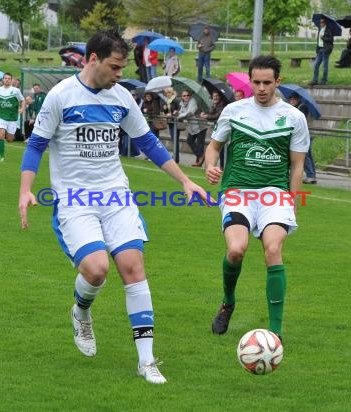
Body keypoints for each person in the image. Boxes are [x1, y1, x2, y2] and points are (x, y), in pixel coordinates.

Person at [18, 30, 208, 384]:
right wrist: (26, 190)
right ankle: (81, 311)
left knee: (133, 268)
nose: (121, 74)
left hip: (116, 196)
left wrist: (184, 181)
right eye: (115, 66)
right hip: (75, 200)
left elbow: (149, 143)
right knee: (96, 270)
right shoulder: (60, 97)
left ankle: (147, 361)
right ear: (92, 59)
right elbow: (36, 145)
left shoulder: (122, 98)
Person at [203, 55, 309, 340]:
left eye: (267, 82)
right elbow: (213, 148)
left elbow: (297, 166)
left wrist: (292, 202)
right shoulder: (234, 111)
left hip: (274, 194)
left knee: (273, 249)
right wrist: (210, 166)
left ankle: (275, 333)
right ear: (250, 81)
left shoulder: (294, 118)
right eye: (256, 82)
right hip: (237, 190)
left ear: (278, 82)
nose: (261, 88)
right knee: (236, 249)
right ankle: (228, 302)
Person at [0, 72, 25, 162]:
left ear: (11, 80)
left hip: (12, 117)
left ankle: (7, 134)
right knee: (1, 134)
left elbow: (23, 100)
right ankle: (2, 157)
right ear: (3, 80)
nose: (7, 80)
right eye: (5, 78)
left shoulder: (16, 91)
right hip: (1, 115)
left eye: (9, 78)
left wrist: (22, 109)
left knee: (10, 139)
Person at [288, 92, 316, 184]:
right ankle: (312, 175)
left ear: (298, 99)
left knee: (305, 155)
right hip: (307, 133)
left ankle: (310, 175)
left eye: (294, 99)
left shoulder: (302, 107)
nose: (292, 101)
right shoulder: (299, 107)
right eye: (291, 99)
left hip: (306, 134)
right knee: (308, 155)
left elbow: (298, 119)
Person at [197, 91, 226, 167]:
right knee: (219, 148)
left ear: (219, 97)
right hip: (218, 129)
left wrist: (206, 116)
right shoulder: (215, 105)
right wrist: (205, 114)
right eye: (214, 96)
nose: (215, 97)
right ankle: (221, 165)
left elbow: (216, 116)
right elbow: (211, 114)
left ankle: (222, 166)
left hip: (222, 129)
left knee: (221, 148)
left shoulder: (222, 105)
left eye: (217, 96)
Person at [310, 17, 334, 86]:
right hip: (320, 49)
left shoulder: (328, 30)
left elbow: (331, 40)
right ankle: (315, 80)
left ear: (325, 22)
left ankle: (324, 80)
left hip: (325, 49)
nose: (321, 23)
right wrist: (317, 49)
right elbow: (318, 41)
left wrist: (323, 37)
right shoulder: (320, 29)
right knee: (316, 65)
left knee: (325, 66)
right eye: (320, 22)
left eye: (322, 22)